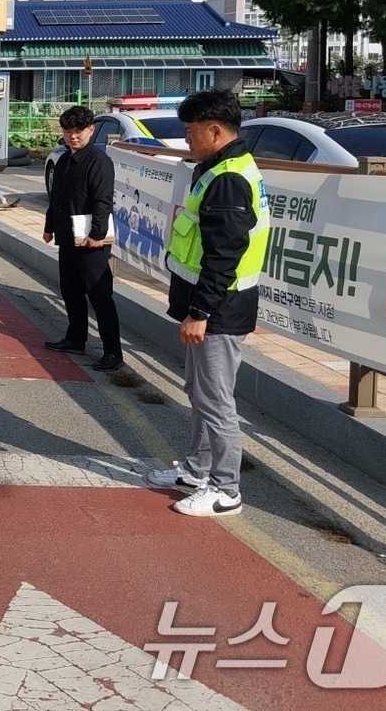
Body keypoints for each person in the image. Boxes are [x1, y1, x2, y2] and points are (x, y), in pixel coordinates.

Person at [146, 90, 270, 518]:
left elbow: (224, 255)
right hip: (208, 306)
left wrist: (200, 313)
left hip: (219, 310)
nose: (186, 140)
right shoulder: (218, 167)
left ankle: (226, 489)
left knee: (216, 400)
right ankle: (198, 470)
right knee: (198, 391)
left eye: (190, 131)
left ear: (215, 130)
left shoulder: (229, 179)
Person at [42, 105, 123, 371]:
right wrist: (49, 226)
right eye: (67, 132)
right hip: (68, 238)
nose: (72, 137)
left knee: (100, 297)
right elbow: (57, 199)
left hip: (92, 243)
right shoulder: (64, 160)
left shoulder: (99, 162)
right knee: (71, 291)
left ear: (90, 130)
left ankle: (113, 353)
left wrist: (97, 234)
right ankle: (75, 338)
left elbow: (103, 201)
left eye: (78, 131)